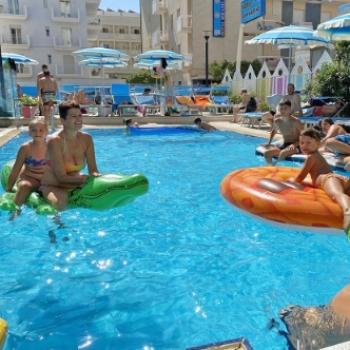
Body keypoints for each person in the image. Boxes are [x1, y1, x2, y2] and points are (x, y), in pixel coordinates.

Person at [40, 101, 100, 211]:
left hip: (75, 182)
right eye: (73, 116)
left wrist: (96, 177)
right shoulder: (54, 141)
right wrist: (86, 180)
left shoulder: (87, 139)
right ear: (63, 120)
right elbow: (61, 178)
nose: (78, 119)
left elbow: (93, 170)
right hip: (54, 186)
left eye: (80, 115)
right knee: (60, 204)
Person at [293, 128, 350, 235]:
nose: (304, 146)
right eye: (301, 143)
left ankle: (348, 212)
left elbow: (299, 178)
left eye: (308, 142)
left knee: (337, 194)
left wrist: (288, 182)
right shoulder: (319, 156)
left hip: (328, 179)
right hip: (341, 179)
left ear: (319, 144)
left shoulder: (311, 157)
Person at [6, 117, 48, 211]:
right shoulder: (25, 148)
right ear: (29, 132)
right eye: (34, 130)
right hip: (29, 178)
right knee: (24, 185)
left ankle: (57, 219)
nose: (38, 133)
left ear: (46, 132)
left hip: (45, 181)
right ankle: (14, 214)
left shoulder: (51, 147)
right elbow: (16, 170)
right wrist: (8, 190)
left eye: (41, 130)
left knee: (52, 193)